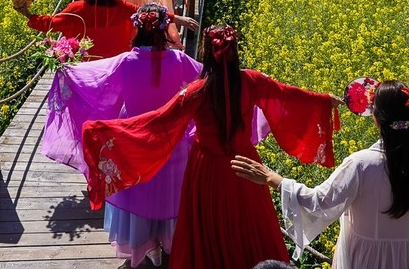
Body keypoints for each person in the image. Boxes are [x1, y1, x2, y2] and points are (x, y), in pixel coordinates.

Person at [82, 24, 341, 269]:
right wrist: (323, 101)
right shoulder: (251, 81)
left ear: (206, 52)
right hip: (246, 167)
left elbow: (158, 121)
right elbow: (287, 95)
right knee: (248, 222)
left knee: (207, 226)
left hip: (206, 169)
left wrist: (104, 131)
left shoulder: (197, 91)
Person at [231, 80, 409, 269]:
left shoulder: (359, 165)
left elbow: (317, 201)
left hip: (364, 262)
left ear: (375, 119)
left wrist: (272, 177)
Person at [41, 3, 203, 267]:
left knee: (139, 193)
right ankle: (173, 247)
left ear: (137, 28)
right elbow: (207, 79)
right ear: (164, 30)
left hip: (133, 141)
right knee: (171, 196)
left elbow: (92, 81)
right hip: (173, 143)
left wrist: (64, 66)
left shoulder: (125, 62)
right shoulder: (179, 60)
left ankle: (144, 250)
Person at [12, 0, 195, 60]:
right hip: (118, 66)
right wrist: (179, 19)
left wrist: (27, 14)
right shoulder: (123, 8)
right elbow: (149, 13)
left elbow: (49, 24)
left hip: (86, 69)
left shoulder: (76, 9)